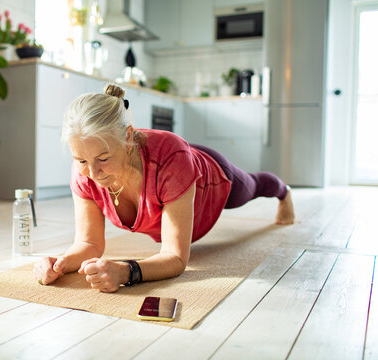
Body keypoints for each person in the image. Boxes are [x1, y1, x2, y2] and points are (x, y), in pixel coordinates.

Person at [33, 84, 294, 293]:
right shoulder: (86, 171)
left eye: (103, 159)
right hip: (174, 165)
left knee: (254, 186)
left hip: (209, 177)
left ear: (127, 138)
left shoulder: (173, 160)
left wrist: (126, 271)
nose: (92, 173)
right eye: (81, 161)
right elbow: (88, 242)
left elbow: (176, 258)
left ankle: (284, 192)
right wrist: (61, 263)